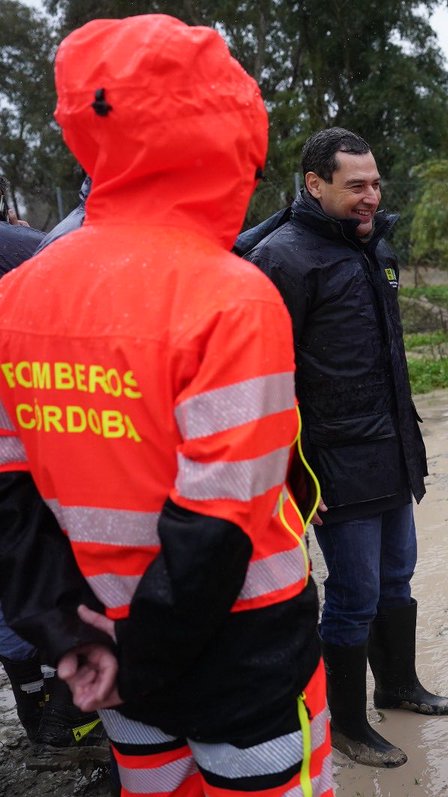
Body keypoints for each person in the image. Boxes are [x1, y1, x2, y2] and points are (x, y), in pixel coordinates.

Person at [0, 15, 333, 796]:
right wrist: (138, 657)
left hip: (104, 651)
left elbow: (9, 499)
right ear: (230, 136)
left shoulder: (15, 297)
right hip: (241, 653)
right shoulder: (233, 298)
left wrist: (69, 635)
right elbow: (218, 520)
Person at [244, 127, 448, 769]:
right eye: (355, 186)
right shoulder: (282, 260)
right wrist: (290, 475)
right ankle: (346, 723)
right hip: (334, 463)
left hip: (393, 448)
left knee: (399, 575)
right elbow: (264, 376)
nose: (370, 197)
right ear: (314, 185)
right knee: (353, 593)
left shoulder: (372, 246)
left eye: (375, 184)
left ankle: (399, 686)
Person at [0, 191, 110, 759]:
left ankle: (47, 711)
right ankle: (63, 709)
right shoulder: (41, 248)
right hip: (60, 448)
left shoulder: (41, 249)